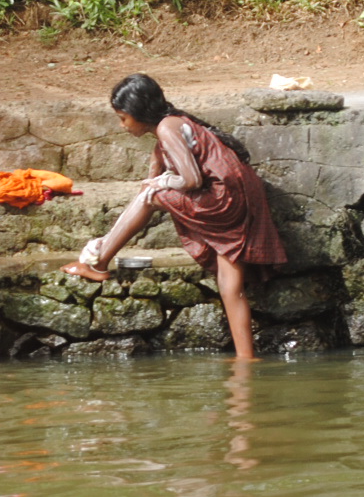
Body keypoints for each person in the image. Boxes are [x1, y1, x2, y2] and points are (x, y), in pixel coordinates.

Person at [61, 74, 286, 359]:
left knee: (152, 196)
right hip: (240, 196)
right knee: (231, 287)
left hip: (224, 200)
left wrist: (159, 185)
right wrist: (155, 179)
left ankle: (100, 262)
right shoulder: (173, 124)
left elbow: (191, 180)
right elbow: (158, 172)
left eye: (123, 118)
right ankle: (246, 360)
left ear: (140, 113)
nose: (122, 125)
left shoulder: (168, 128)